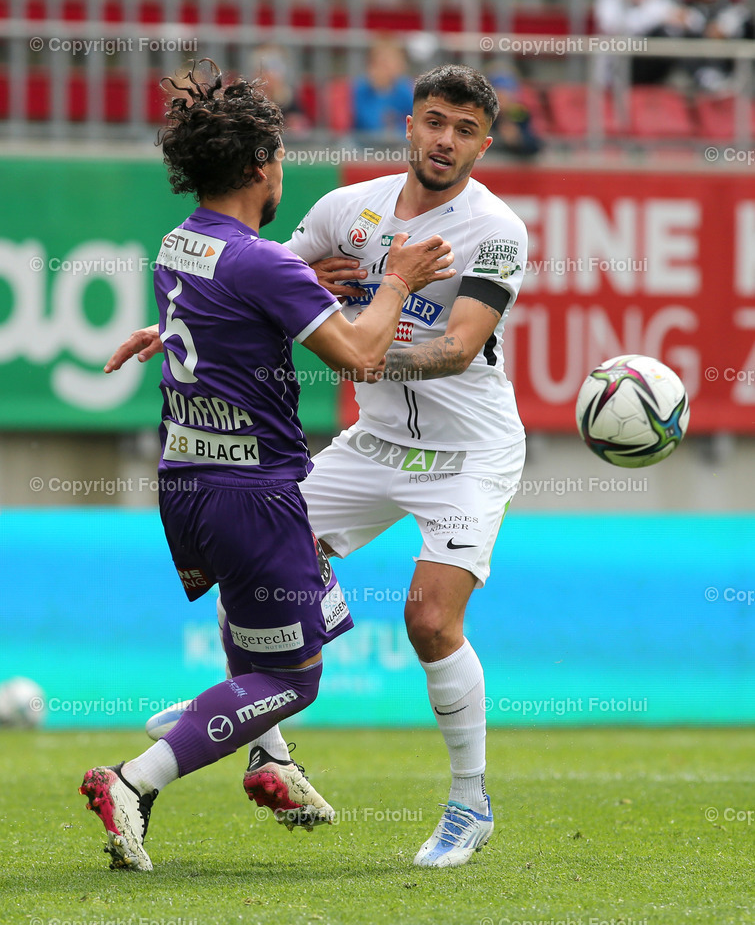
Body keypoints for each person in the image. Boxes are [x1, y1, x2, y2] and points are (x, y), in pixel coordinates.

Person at [108, 64, 528, 869]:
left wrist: (362, 346)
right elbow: (238, 284)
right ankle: (264, 745)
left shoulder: (495, 229)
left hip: (467, 452)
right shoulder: (347, 210)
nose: (445, 140)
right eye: (434, 121)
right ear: (408, 125)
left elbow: (459, 347)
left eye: (465, 129)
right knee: (262, 564)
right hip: (370, 446)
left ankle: (468, 803)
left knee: (429, 621)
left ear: (482, 142)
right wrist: (162, 331)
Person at [352, 37, 415, 135]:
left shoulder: (404, 89)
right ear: (373, 65)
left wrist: (397, 130)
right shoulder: (361, 89)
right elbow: (366, 123)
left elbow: (416, 120)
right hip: (363, 144)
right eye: (385, 63)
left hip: (398, 144)